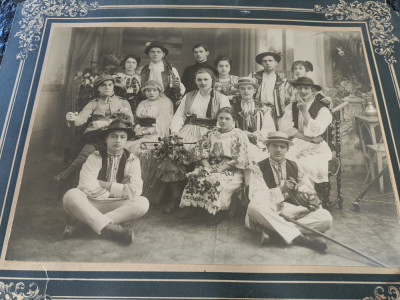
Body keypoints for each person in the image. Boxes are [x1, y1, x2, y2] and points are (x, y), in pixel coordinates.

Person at [63, 117, 149, 245]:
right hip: (92, 202)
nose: (118, 141)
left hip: (117, 205)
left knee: (143, 203)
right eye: (113, 136)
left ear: (126, 140)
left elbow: (135, 190)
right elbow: (86, 185)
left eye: (122, 137)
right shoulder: (95, 157)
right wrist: (120, 189)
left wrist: (102, 184)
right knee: (71, 195)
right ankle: (111, 228)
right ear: (106, 139)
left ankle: (86, 225)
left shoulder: (133, 160)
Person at [245, 131, 333, 252]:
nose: (278, 150)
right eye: (274, 146)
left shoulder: (296, 166)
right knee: (253, 207)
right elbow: (256, 196)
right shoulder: (258, 168)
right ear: (268, 147)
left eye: (282, 147)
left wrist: (301, 193)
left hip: (291, 210)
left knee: (326, 217)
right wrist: (281, 190)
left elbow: (309, 191)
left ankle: (274, 232)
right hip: (270, 209)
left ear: (287, 149)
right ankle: (301, 239)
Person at [161, 68, 231, 213]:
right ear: (195, 81)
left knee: (201, 154)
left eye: (206, 79)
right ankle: (176, 197)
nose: (202, 82)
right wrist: (174, 132)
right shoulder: (189, 96)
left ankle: (196, 202)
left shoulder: (221, 97)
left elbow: (225, 119)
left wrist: (216, 135)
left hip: (210, 131)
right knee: (172, 151)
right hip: (189, 129)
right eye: (199, 80)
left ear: (212, 81)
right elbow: (179, 116)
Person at [53, 75, 133, 183]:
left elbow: (131, 122)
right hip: (97, 135)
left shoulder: (123, 102)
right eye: (103, 85)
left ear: (113, 86)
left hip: (116, 134)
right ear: (98, 88)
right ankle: (67, 174)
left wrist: (125, 115)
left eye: (110, 85)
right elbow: (81, 119)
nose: (107, 87)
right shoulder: (93, 103)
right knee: (86, 153)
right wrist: (71, 118)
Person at [179, 107, 253, 221]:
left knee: (216, 182)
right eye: (221, 118)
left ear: (233, 120)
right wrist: (207, 166)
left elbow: (242, 157)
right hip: (211, 165)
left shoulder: (239, 134)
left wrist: (223, 167)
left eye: (227, 118)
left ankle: (216, 212)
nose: (223, 121)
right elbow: (200, 150)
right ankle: (192, 206)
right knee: (197, 178)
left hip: (232, 168)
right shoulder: (211, 133)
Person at [280, 77, 333, 187]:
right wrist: (306, 138)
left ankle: (307, 195)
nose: (303, 91)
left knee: (306, 163)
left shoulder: (323, 109)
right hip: (296, 141)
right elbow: (285, 127)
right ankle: (290, 193)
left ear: (313, 91)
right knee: (284, 161)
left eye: (306, 88)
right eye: (300, 88)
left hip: (316, 145)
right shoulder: (291, 106)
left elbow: (315, 131)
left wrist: (304, 111)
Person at [125, 80, 174, 156]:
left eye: (154, 90)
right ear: (144, 92)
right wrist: (136, 129)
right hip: (140, 130)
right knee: (126, 146)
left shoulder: (164, 103)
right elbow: (137, 119)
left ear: (159, 91)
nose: (151, 93)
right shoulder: (142, 103)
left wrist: (144, 132)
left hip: (155, 132)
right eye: (148, 90)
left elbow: (162, 125)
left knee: (141, 148)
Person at [250, 51, 291, 130]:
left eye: (270, 60)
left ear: (276, 62)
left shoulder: (282, 79)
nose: (267, 63)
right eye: (264, 61)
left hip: (276, 110)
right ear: (261, 64)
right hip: (258, 109)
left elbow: (289, 96)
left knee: (275, 132)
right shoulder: (254, 76)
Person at [140, 40, 185, 106]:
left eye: (158, 52)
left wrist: (177, 86)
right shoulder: (143, 69)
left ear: (163, 54)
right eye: (153, 52)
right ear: (149, 53)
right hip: (146, 102)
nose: (155, 54)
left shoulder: (171, 70)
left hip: (165, 103)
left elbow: (180, 89)